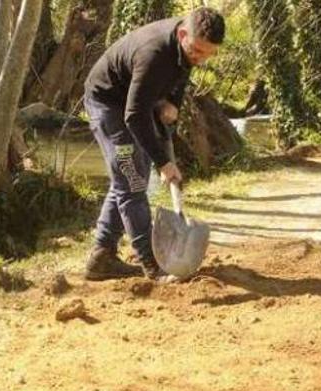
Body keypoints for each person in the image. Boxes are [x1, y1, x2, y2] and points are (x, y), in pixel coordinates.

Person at [81, 7, 225, 282]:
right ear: (183, 34)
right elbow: (134, 115)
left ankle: (101, 256)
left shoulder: (185, 46)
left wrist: (172, 103)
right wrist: (164, 162)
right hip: (108, 102)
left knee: (130, 176)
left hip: (139, 101)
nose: (201, 59)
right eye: (197, 51)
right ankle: (153, 265)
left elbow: (182, 72)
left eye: (208, 54)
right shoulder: (155, 53)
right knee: (133, 180)